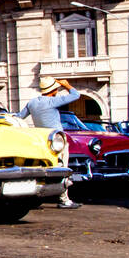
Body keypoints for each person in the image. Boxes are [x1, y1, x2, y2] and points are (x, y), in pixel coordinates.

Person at [15, 77, 80, 209]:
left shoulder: (33, 103)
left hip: (41, 140)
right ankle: (64, 199)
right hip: (57, 141)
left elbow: (19, 116)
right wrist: (67, 85)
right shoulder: (52, 101)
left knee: (42, 170)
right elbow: (75, 95)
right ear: (53, 90)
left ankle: (37, 197)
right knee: (62, 169)